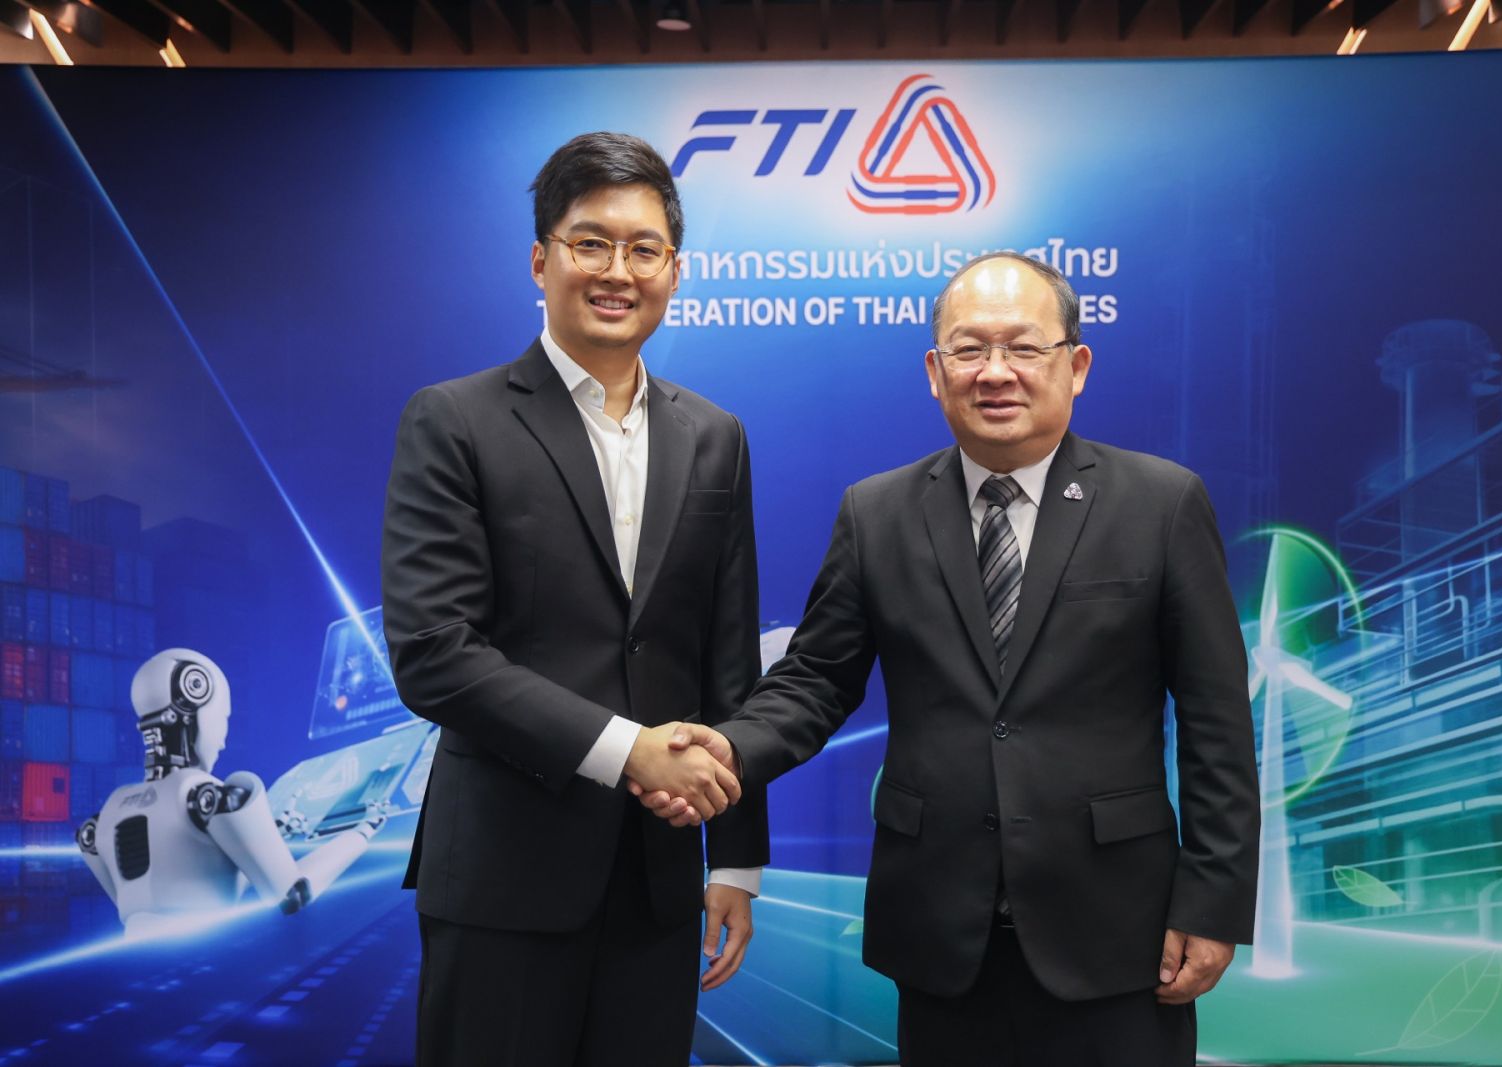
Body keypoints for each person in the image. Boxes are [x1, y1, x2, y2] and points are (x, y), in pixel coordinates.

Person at [640, 252, 1260, 1065]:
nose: (995, 372)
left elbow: (1216, 720)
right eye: (969, 350)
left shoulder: (1162, 502)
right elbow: (817, 680)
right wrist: (729, 748)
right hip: (939, 927)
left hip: (1116, 926)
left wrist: (1212, 902)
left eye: (1023, 347)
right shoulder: (877, 512)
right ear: (936, 372)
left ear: (1076, 365)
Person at [381, 131, 768, 1067]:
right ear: (540, 260)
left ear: (674, 270)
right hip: (503, 876)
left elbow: (727, 656)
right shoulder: (456, 419)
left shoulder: (715, 435)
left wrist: (737, 857)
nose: (617, 271)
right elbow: (435, 652)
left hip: (658, 880)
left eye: (643, 249)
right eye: (591, 243)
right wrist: (628, 748)